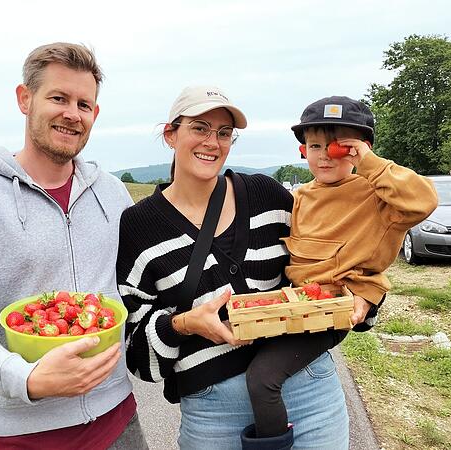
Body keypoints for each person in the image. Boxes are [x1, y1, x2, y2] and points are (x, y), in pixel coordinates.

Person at [0, 42, 148, 450]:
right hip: (20, 434)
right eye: (58, 98)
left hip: (118, 420)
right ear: (25, 99)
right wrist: (25, 378)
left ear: (95, 114)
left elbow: (135, 287)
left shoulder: (112, 192)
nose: (71, 114)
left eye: (84, 104)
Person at [117, 86, 355, 450]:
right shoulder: (139, 226)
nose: (212, 142)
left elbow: (332, 260)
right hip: (213, 411)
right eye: (199, 128)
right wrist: (184, 324)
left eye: (224, 133)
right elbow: (136, 351)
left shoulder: (267, 195)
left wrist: (362, 297)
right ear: (171, 134)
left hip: (308, 391)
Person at [241, 95, 436, 446]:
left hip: (333, 306)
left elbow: (424, 201)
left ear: (361, 149)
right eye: (314, 146)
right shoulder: (300, 196)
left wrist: (370, 163)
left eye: (338, 147)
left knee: (262, 379)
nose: (324, 154)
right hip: (297, 301)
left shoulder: (375, 194)